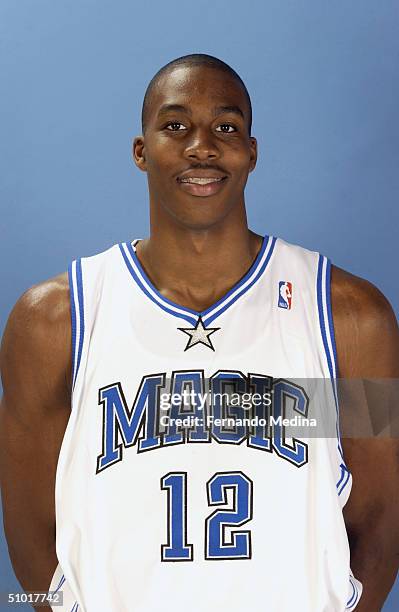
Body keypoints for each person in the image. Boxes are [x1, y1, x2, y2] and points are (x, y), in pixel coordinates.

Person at [0, 53, 398, 612]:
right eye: (175, 126)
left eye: (226, 127)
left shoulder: (347, 316)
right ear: (141, 151)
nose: (202, 147)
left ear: (252, 153)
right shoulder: (56, 321)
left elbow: (378, 523)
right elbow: (31, 529)